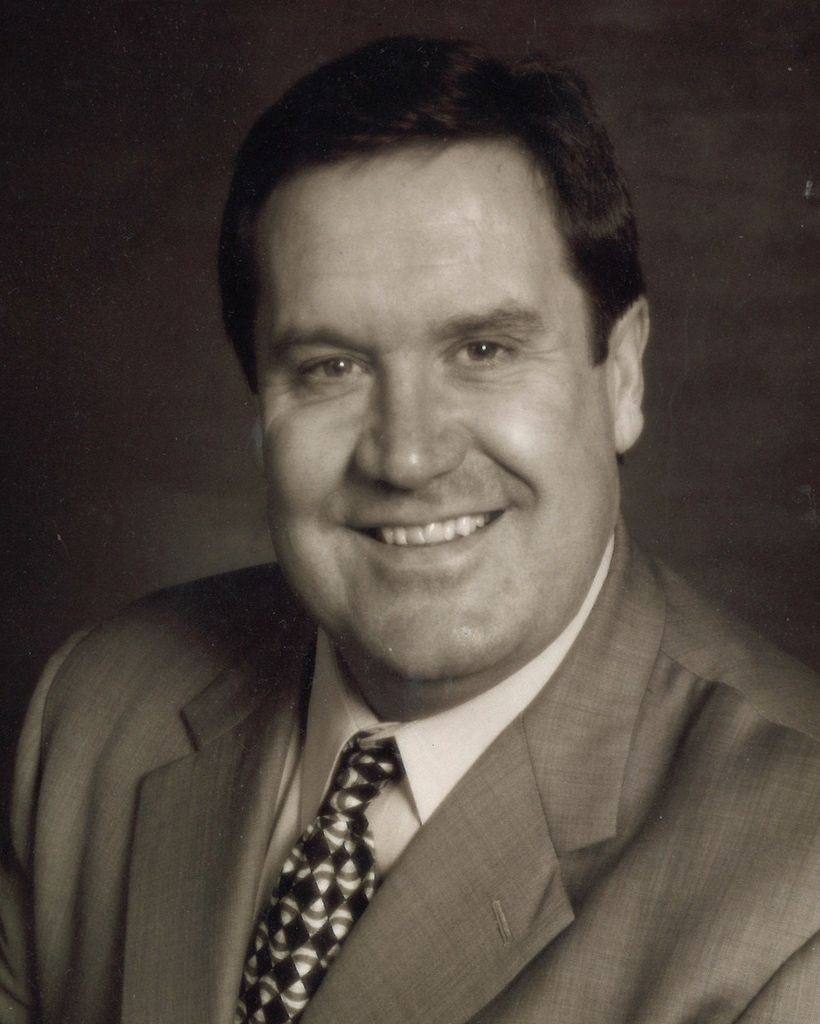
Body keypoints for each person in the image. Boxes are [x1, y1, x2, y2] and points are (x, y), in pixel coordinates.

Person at [2, 35, 819, 1024]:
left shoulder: (796, 893)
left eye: (483, 349)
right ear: (260, 410)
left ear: (624, 375)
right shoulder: (96, 715)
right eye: (331, 368)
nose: (409, 455)